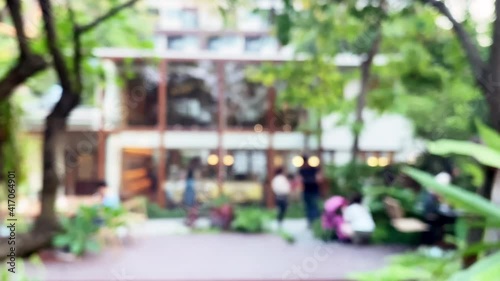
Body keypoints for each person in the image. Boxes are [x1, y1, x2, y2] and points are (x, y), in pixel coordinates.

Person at [298, 155, 322, 228]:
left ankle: (314, 223)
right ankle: (311, 223)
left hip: (313, 191)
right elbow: (299, 180)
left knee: (314, 207)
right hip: (307, 191)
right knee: (308, 207)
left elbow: (319, 179)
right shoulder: (302, 170)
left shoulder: (314, 169)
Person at [183, 157, 201, 226]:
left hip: (190, 186)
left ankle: (189, 220)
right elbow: (196, 177)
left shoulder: (190, 168)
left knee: (190, 204)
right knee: (191, 204)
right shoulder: (194, 169)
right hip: (191, 186)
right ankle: (190, 220)